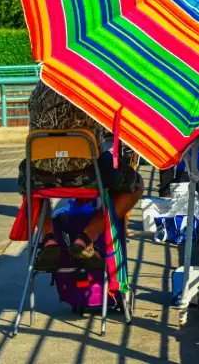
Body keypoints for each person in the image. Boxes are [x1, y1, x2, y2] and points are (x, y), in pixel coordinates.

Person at [18, 83, 144, 271]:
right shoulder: (91, 88)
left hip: (43, 175)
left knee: (28, 182)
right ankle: (86, 238)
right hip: (84, 174)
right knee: (135, 185)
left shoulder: (39, 89)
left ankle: (49, 238)